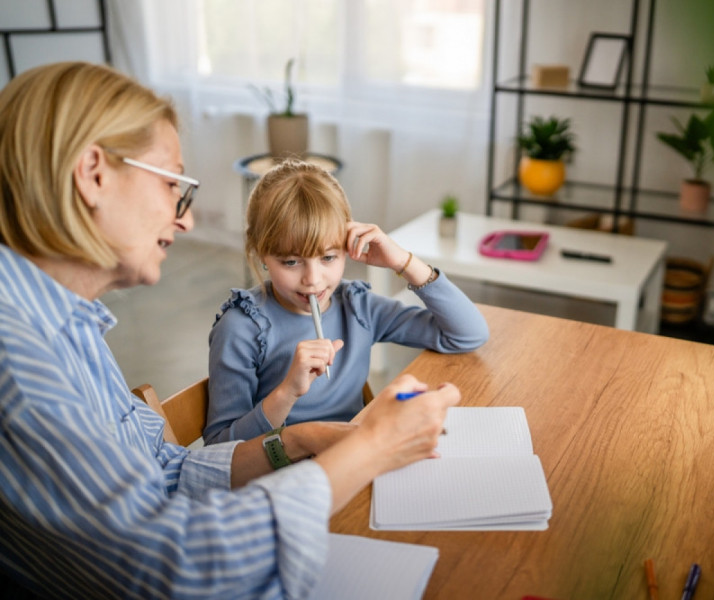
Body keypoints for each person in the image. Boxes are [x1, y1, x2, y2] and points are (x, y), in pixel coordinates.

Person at [0, 61, 459, 599]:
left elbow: (167, 471)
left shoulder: (67, 325)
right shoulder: (19, 361)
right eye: (172, 185)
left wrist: (301, 439)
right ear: (93, 173)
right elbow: (181, 571)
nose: (187, 220)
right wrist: (371, 449)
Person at [204, 159, 488, 444]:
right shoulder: (241, 329)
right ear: (259, 252)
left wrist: (403, 262)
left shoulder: (358, 307)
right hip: (287, 467)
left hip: (358, 453)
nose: (313, 280)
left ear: (347, 246)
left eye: (328, 257)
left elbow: (467, 335)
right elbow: (220, 448)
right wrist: (287, 392)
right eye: (291, 262)